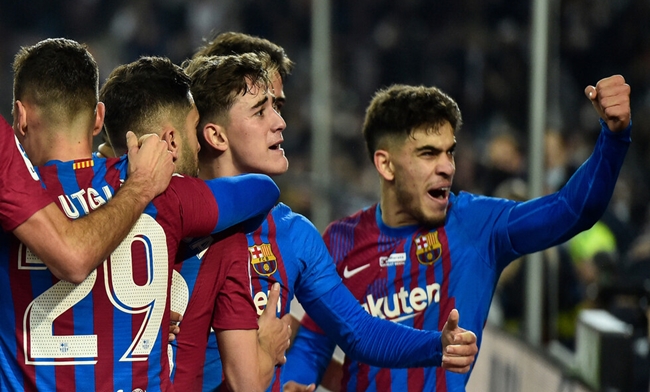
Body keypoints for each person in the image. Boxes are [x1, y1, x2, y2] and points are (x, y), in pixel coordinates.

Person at [286, 76, 632, 390]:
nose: (447, 167)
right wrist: (297, 382)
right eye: (428, 153)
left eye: (449, 151)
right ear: (386, 164)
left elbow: (571, 210)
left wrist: (614, 137)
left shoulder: (477, 226)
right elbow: (314, 342)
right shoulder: (341, 239)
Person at [179, 43, 478, 391]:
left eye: (276, 108)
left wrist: (437, 345)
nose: (280, 122)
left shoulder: (293, 234)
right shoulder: (167, 217)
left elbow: (358, 331)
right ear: (216, 135)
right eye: (260, 112)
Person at [1, 38, 280, 392]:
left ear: (21, 118)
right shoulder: (158, 186)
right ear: (98, 118)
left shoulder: (12, 203)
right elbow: (262, 190)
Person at [2, 55, 174, 283]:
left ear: (21, 117)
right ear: (99, 117)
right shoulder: (157, 177)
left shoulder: (13, 177)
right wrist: (142, 183)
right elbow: (73, 259)